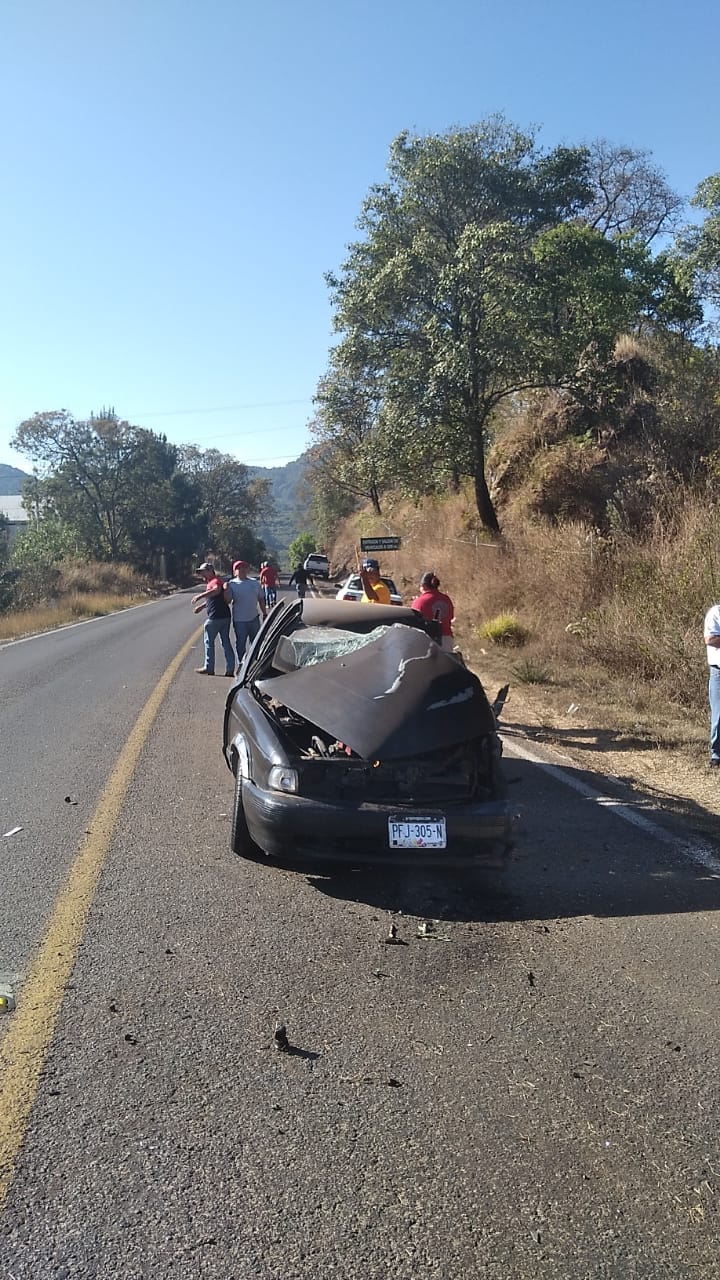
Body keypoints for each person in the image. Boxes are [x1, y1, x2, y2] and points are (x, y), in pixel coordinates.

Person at [192, 562, 235, 676]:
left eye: (203, 572)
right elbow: (215, 598)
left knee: (209, 642)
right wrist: (201, 607)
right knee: (225, 642)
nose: (202, 574)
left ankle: (209, 667)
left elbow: (216, 590)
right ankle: (230, 668)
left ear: (210, 571)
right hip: (225, 616)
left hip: (215, 617)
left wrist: (199, 596)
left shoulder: (214, 581)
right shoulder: (217, 581)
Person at [225, 560, 266, 667]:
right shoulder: (232, 584)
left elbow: (261, 599)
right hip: (240, 620)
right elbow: (228, 600)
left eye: (244, 568)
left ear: (247, 570)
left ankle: (255, 664)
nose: (242, 570)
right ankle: (241, 664)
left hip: (254, 618)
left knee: (256, 643)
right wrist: (226, 590)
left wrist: (264, 613)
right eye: (238, 568)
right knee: (240, 643)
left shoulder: (254, 583)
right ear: (235, 572)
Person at [411, 572, 455, 650]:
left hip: (426, 639)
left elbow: (414, 622)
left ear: (423, 586)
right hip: (446, 639)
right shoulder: (446, 599)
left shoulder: (419, 601)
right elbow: (450, 616)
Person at [704, 599, 720, 766]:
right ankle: (716, 755)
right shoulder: (716, 612)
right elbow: (710, 639)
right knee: (719, 714)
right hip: (719, 672)